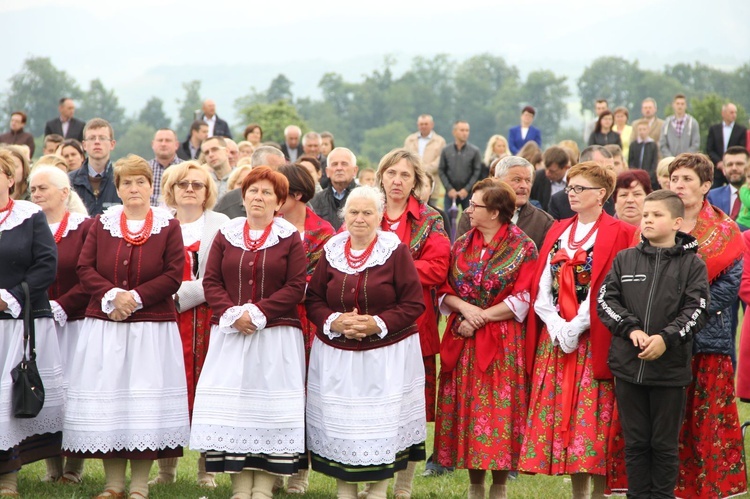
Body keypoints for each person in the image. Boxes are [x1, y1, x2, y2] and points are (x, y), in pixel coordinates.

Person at [62, 155, 190, 499]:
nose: (134, 189)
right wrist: (112, 296)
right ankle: (113, 485)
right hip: (105, 325)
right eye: (127, 183)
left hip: (151, 329)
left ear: (152, 187)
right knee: (112, 404)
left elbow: (173, 274)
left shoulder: (168, 226)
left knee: (142, 406)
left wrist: (134, 298)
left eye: (141, 182)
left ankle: (138, 487)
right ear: (117, 188)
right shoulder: (101, 224)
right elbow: (85, 268)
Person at [519, 161, 637, 499]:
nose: (571, 193)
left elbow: (612, 286)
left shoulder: (619, 232)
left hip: (595, 338)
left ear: (601, 194)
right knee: (565, 416)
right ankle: (578, 495)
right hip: (556, 338)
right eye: (570, 187)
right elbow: (541, 282)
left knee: (595, 422)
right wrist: (555, 323)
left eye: (579, 188)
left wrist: (578, 324)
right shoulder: (558, 229)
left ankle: (599, 495)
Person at [190, 166, 307, 499]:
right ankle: (241, 488)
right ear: (243, 197)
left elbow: (296, 285)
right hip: (231, 335)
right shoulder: (227, 234)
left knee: (269, 411)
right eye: (253, 191)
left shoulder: (289, 237)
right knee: (237, 412)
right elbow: (210, 281)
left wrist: (259, 313)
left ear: (279, 202)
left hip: (275, 337)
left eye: (267, 193)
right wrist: (232, 313)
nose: (259, 197)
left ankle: (264, 488)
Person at [305, 186, 426, 499]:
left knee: (381, 425)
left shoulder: (395, 250)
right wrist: (335, 321)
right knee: (342, 423)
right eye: (354, 212)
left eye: (367, 213)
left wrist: (376, 323)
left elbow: (413, 303)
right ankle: (345, 489)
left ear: (380, 216)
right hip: (337, 353)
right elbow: (315, 298)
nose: (359, 219)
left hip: (386, 353)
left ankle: (378, 490)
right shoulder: (332, 249)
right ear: (344, 216)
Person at [597, 190, 710, 499]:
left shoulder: (692, 265)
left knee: (663, 444)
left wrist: (666, 338)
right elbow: (606, 300)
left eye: (656, 215)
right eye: (646, 214)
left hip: (670, 370)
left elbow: (696, 309)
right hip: (628, 367)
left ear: (677, 222)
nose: (647, 219)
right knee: (635, 442)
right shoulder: (625, 258)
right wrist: (629, 328)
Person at [435, 177, 538, 499]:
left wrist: (479, 319)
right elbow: (444, 289)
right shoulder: (461, 244)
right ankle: (474, 486)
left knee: (499, 415)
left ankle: (500, 487)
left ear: (494, 212)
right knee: (466, 412)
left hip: (503, 344)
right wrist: (466, 309)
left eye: (475, 205)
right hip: (463, 340)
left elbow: (524, 297)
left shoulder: (523, 246)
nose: (468, 210)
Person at [666, 153, 747, 498]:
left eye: (687, 180)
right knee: (669, 419)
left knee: (707, 417)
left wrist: (689, 316)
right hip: (663, 341)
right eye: (674, 179)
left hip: (707, 338)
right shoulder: (658, 221)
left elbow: (731, 284)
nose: (679, 186)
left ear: (706, 186)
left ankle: (710, 487)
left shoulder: (725, 229)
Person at [146, 161, 229, 488]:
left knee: (208, 391)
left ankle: (206, 471)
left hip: (208, 319)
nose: (190, 189)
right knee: (168, 389)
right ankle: (166, 471)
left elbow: (223, 274)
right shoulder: (158, 222)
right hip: (164, 320)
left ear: (208, 191)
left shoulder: (222, 224)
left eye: (198, 184)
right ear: (171, 190)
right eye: (183, 184)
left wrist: (184, 294)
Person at [376, 149, 451, 494]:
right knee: (373, 407)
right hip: (368, 327)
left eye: (405, 175)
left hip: (413, 327)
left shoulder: (430, 220)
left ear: (416, 182)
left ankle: (403, 486)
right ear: (381, 176)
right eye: (392, 173)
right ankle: (374, 481)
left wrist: (388, 272)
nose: (397, 180)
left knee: (409, 411)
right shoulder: (366, 212)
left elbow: (437, 269)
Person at [0, 150, 64, 498]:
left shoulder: (30, 216)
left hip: (18, 323)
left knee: (9, 400)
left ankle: (8, 478)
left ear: (11, 179)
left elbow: (45, 266)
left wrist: (9, 297)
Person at [28, 165, 91, 485]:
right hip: (37, 322)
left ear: (65, 193)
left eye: (43, 189)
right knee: (47, 392)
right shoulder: (26, 226)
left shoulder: (84, 228)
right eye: (33, 189)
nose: (36, 194)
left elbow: (91, 274)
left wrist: (63, 306)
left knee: (74, 393)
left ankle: (74, 468)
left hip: (76, 323)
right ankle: (52, 466)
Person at [275, 163, 335, 494]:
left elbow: (323, 281)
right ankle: (271, 466)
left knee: (305, 395)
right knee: (277, 392)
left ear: (296, 194)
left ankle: (300, 472)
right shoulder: (268, 228)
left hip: (307, 324)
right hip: (273, 321)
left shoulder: (323, 232)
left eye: (279, 190)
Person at [456, 156, 554, 249]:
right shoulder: (471, 214)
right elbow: (459, 255)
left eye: (528, 180)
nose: (524, 186)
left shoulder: (544, 221)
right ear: (497, 181)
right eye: (517, 180)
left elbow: (549, 259)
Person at [214, 146, 287, 219]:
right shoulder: (229, 203)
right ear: (254, 170)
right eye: (274, 171)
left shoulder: (289, 199)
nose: (282, 176)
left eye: (284, 171)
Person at [69, 118, 121, 215]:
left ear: (112, 144)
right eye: (92, 138)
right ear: (84, 145)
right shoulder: (69, 181)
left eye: (102, 138)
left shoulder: (122, 180)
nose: (97, 142)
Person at [309, 147, 359, 230]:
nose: (339, 168)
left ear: (355, 170)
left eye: (344, 164)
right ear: (327, 172)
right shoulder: (314, 201)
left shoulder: (366, 198)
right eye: (334, 164)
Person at [404, 114, 447, 207]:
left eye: (426, 124)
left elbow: (439, 161)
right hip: (412, 184)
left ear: (432, 124)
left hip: (432, 184)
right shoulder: (410, 140)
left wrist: (421, 170)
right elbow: (405, 157)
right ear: (417, 125)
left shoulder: (440, 141)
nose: (423, 126)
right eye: (421, 124)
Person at [439, 121, 483, 211]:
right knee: (447, 219)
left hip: (468, 194)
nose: (465, 133)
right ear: (454, 132)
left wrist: (467, 189)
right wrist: (449, 189)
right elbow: (441, 170)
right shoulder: (446, 150)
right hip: (450, 193)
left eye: (467, 130)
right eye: (462, 130)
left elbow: (477, 172)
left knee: (468, 220)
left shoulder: (474, 151)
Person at [706, 103, 748, 188]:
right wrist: (719, 162)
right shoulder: (714, 129)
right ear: (723, 113)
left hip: (735, 170)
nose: (734, 115)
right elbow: (709, 149)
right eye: (731, 112)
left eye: (735, 112)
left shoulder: (741, 130)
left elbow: (741, 149)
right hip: (717, 170)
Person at [710, 146, 749, 229]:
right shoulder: (711, 197)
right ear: (724, 170)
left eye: (739, 164)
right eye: (729, 164)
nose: (734, 168)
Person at [149, 129, 183, 206]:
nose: (163, 144)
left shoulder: (186, 169)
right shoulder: (144, 169)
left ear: (176, 145)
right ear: (153, 144)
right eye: (160, 140)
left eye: (168, 140)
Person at [531, 146, 570, 213]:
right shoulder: (537, 178)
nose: (547, 173)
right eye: (546, 169)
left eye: (552, 171)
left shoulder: (573, 181)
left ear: (565, 168)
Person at [628, 120, 659, 185]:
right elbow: (631, 161)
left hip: (650, 178)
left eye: (644, 129)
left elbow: (654, 162)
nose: (642, 132)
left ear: (648, 130)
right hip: (635, 176)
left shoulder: (653, 145)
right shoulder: (633, 145)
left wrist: (649, 175)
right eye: (640, 129)